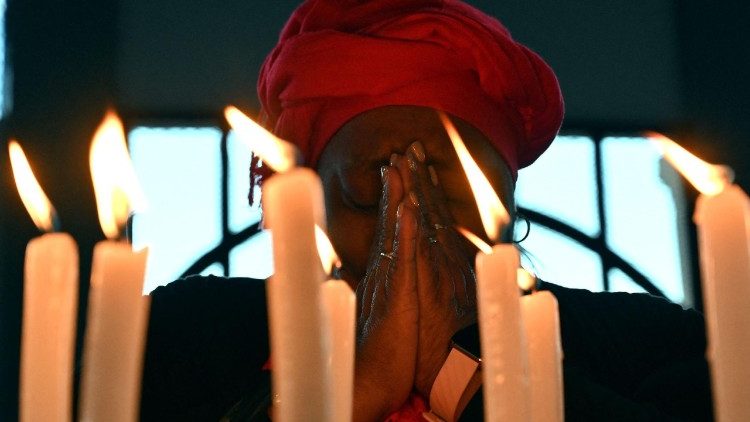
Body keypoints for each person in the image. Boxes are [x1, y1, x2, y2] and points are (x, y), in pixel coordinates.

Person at [139, 1, 713, 420]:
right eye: (370, 191)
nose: (410, 219)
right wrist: (343, 394)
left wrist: (464, 368)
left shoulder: (651, 347)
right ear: (310, 206)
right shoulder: (179, 341)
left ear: (508, 201)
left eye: (451, 189)